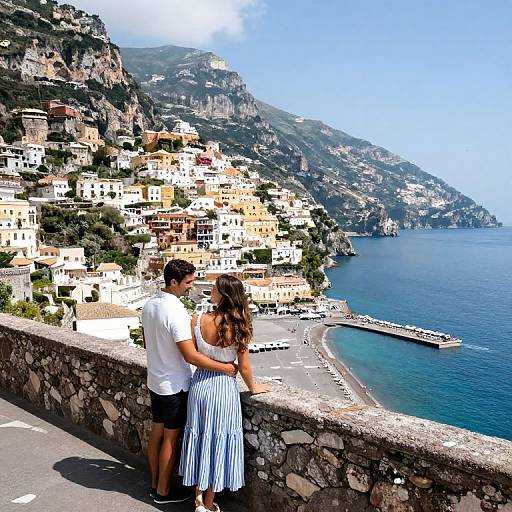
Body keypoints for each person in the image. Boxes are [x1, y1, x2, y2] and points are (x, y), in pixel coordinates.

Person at [141, 260, 238, 505]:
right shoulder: (175, 311)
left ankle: (154, 483)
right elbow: (191, 356)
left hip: (155, 379)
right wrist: (227, 368)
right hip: (174, 384)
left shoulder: (149, 305)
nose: (191, 287)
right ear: (173, 282)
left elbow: (147, 342)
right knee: (171, 438)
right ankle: (163, 492)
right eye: (188, 282)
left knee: (157, 433)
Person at [179, 274, 271, 512]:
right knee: (217, 441)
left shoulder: (197, 319)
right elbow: (244, 366)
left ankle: (197, 498)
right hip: (223, 389)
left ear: (223, 294)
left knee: (199, 438)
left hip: (200, 385)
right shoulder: (238, 325)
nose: (210, 291)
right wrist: (253, 388)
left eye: (214, 288)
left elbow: (193, 354)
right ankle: (208, 504)